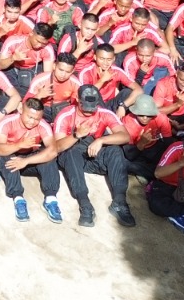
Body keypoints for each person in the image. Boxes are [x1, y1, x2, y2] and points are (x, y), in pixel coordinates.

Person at [53, 84, 137, 227]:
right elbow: (58, 146)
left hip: (94, 154)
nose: (88, 112)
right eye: (84, 108)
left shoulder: (104, 113)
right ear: (77, 100)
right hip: (74, 155)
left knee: (115, 151)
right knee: (70, 153)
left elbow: (125, 136)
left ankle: (119, 202)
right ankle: (85, 204)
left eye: (92, 109)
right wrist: (76, 135)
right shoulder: (66, 115)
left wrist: (101, 140)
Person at [0, 97, 63, 224]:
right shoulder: (7, 122)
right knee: (5, 157)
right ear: (20, 109)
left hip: (29, 159)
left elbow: (52, 151)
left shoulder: (43, 126)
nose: (32, 122)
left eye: (36, 119)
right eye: (29, 117)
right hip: (12, 155)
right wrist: (19, 145)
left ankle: (51, 199)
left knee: (49, 158)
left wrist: (26, 161)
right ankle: (18, 198)